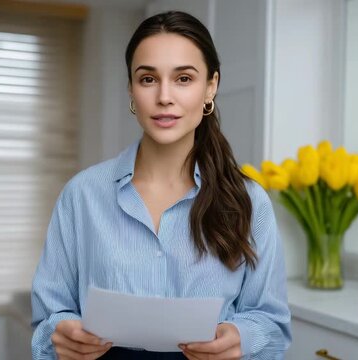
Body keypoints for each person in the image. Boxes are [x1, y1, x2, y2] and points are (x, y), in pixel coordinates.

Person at [31, 10, 291, 360]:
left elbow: (272, 324)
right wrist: (59, 335)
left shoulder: (249, 202)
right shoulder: (81, 195)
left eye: (184, 79)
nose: (164, 96)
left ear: (210, 86)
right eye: (148, 79)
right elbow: (50, 318)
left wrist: (241, 337)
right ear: (131, 89)